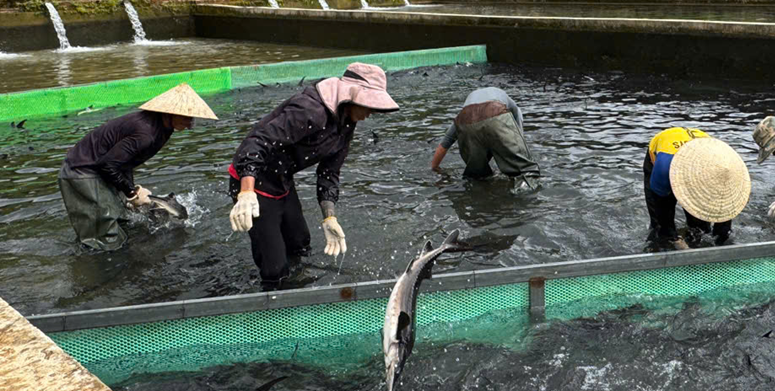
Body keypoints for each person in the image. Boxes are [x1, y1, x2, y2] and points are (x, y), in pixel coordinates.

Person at [228, 62, 398, 289]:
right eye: (368, 105)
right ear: (352, 96)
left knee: (300, 244)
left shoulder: (346, 123)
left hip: (281, 179)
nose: (369, 113)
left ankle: (297, 288)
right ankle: (274, 300)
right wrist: (246, 193)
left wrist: (330, 217)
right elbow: (255, 143)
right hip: (253, 180)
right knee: (275, 268)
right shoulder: (309, 111)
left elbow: (329, 173)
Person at [58, 83, 218, 251]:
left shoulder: (164, 128)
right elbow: (107, 165)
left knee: (123, 220)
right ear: (171, 113)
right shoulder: (146, 133)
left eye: (191, 118)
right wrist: (131, 193)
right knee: (103, 239)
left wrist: (131, 191)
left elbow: (125, 162)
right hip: (81, 171)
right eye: (186, 117)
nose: (189, 124)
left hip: (100, 169)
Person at [643, 127, 751, 250]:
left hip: (705, 153)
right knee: (660, 227)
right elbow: (662, 211)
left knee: (701, 228)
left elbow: (725, 215)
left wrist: (721, 238)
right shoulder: (663, 169)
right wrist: (674, 239)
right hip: (667, 156)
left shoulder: (728, 167)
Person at [430, 87, 540, 183]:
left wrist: (435, 169)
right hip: (495, 110)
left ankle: (478, 196)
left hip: (466, 121)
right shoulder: (509, 103)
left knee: (477, 177)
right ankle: (527, 200)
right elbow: (518, 134)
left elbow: (444, 144)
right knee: (526, 172)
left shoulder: (464, 111)